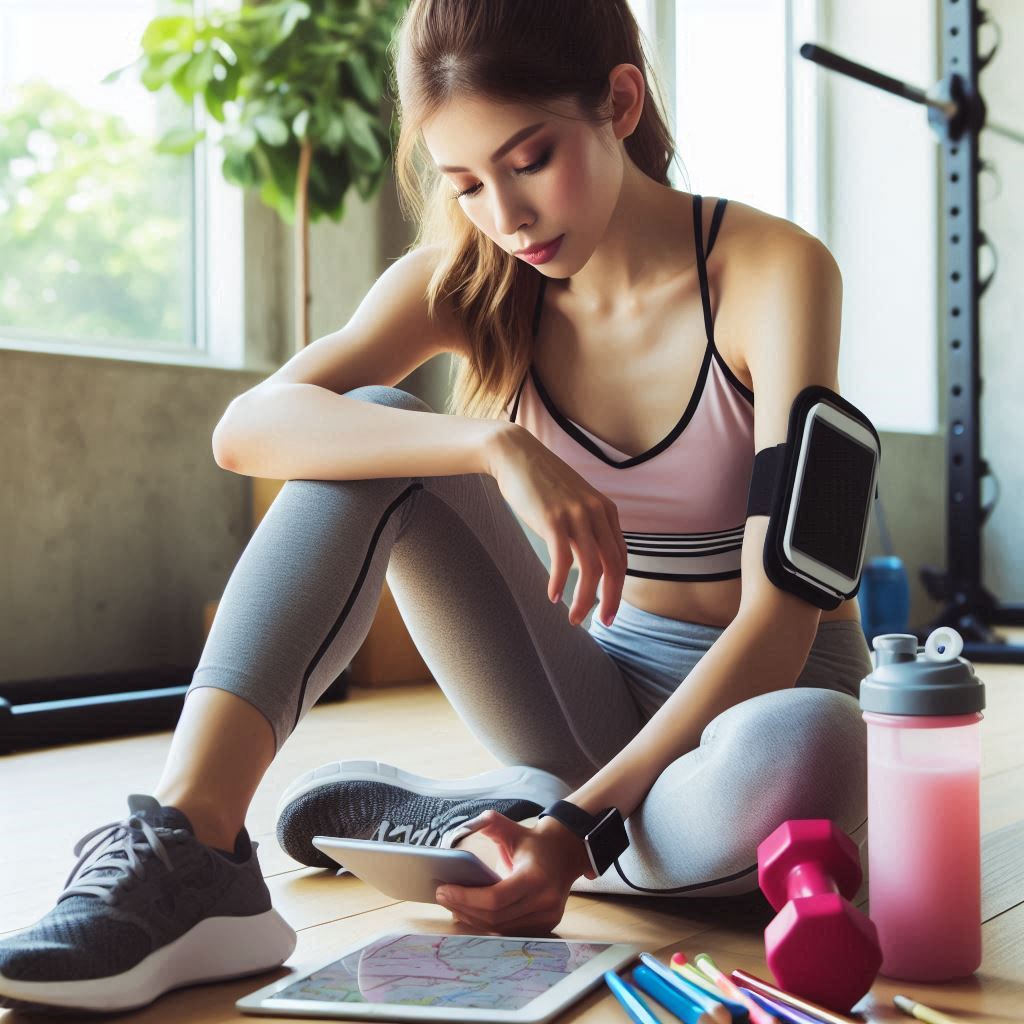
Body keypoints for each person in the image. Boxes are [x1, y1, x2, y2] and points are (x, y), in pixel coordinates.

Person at [0, 0, 874, 1014]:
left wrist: (576, 825)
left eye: (529, 160)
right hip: (583, 692)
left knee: (818, 742)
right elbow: (246, 428)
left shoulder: (772, 270)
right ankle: (191, 844)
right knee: (367, 420)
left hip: (750, 717)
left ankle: (511, 826)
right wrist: (485, 442)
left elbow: (779, 623)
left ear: (620, 101)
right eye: (464, 182)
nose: (505, 215)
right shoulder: (469, 276)